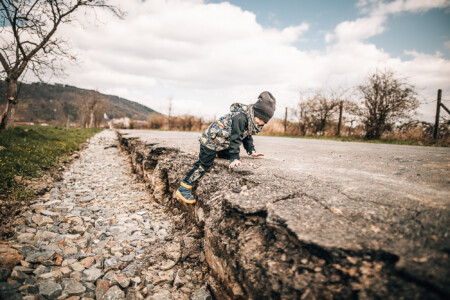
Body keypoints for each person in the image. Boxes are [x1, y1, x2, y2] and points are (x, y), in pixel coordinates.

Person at [176, 91, 276, 204]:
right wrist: (234, 158)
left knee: (229, 155)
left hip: (222, 143)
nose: (261, 123)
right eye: (260, 118)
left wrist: (251, 151)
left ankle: (218, 153)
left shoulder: (251, 121)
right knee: (204, 164)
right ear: (254, 112)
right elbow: (236, 138)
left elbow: (247, 136)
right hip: (211, 141)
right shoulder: (241, 118)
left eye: (264, 121)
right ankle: (184, 187)